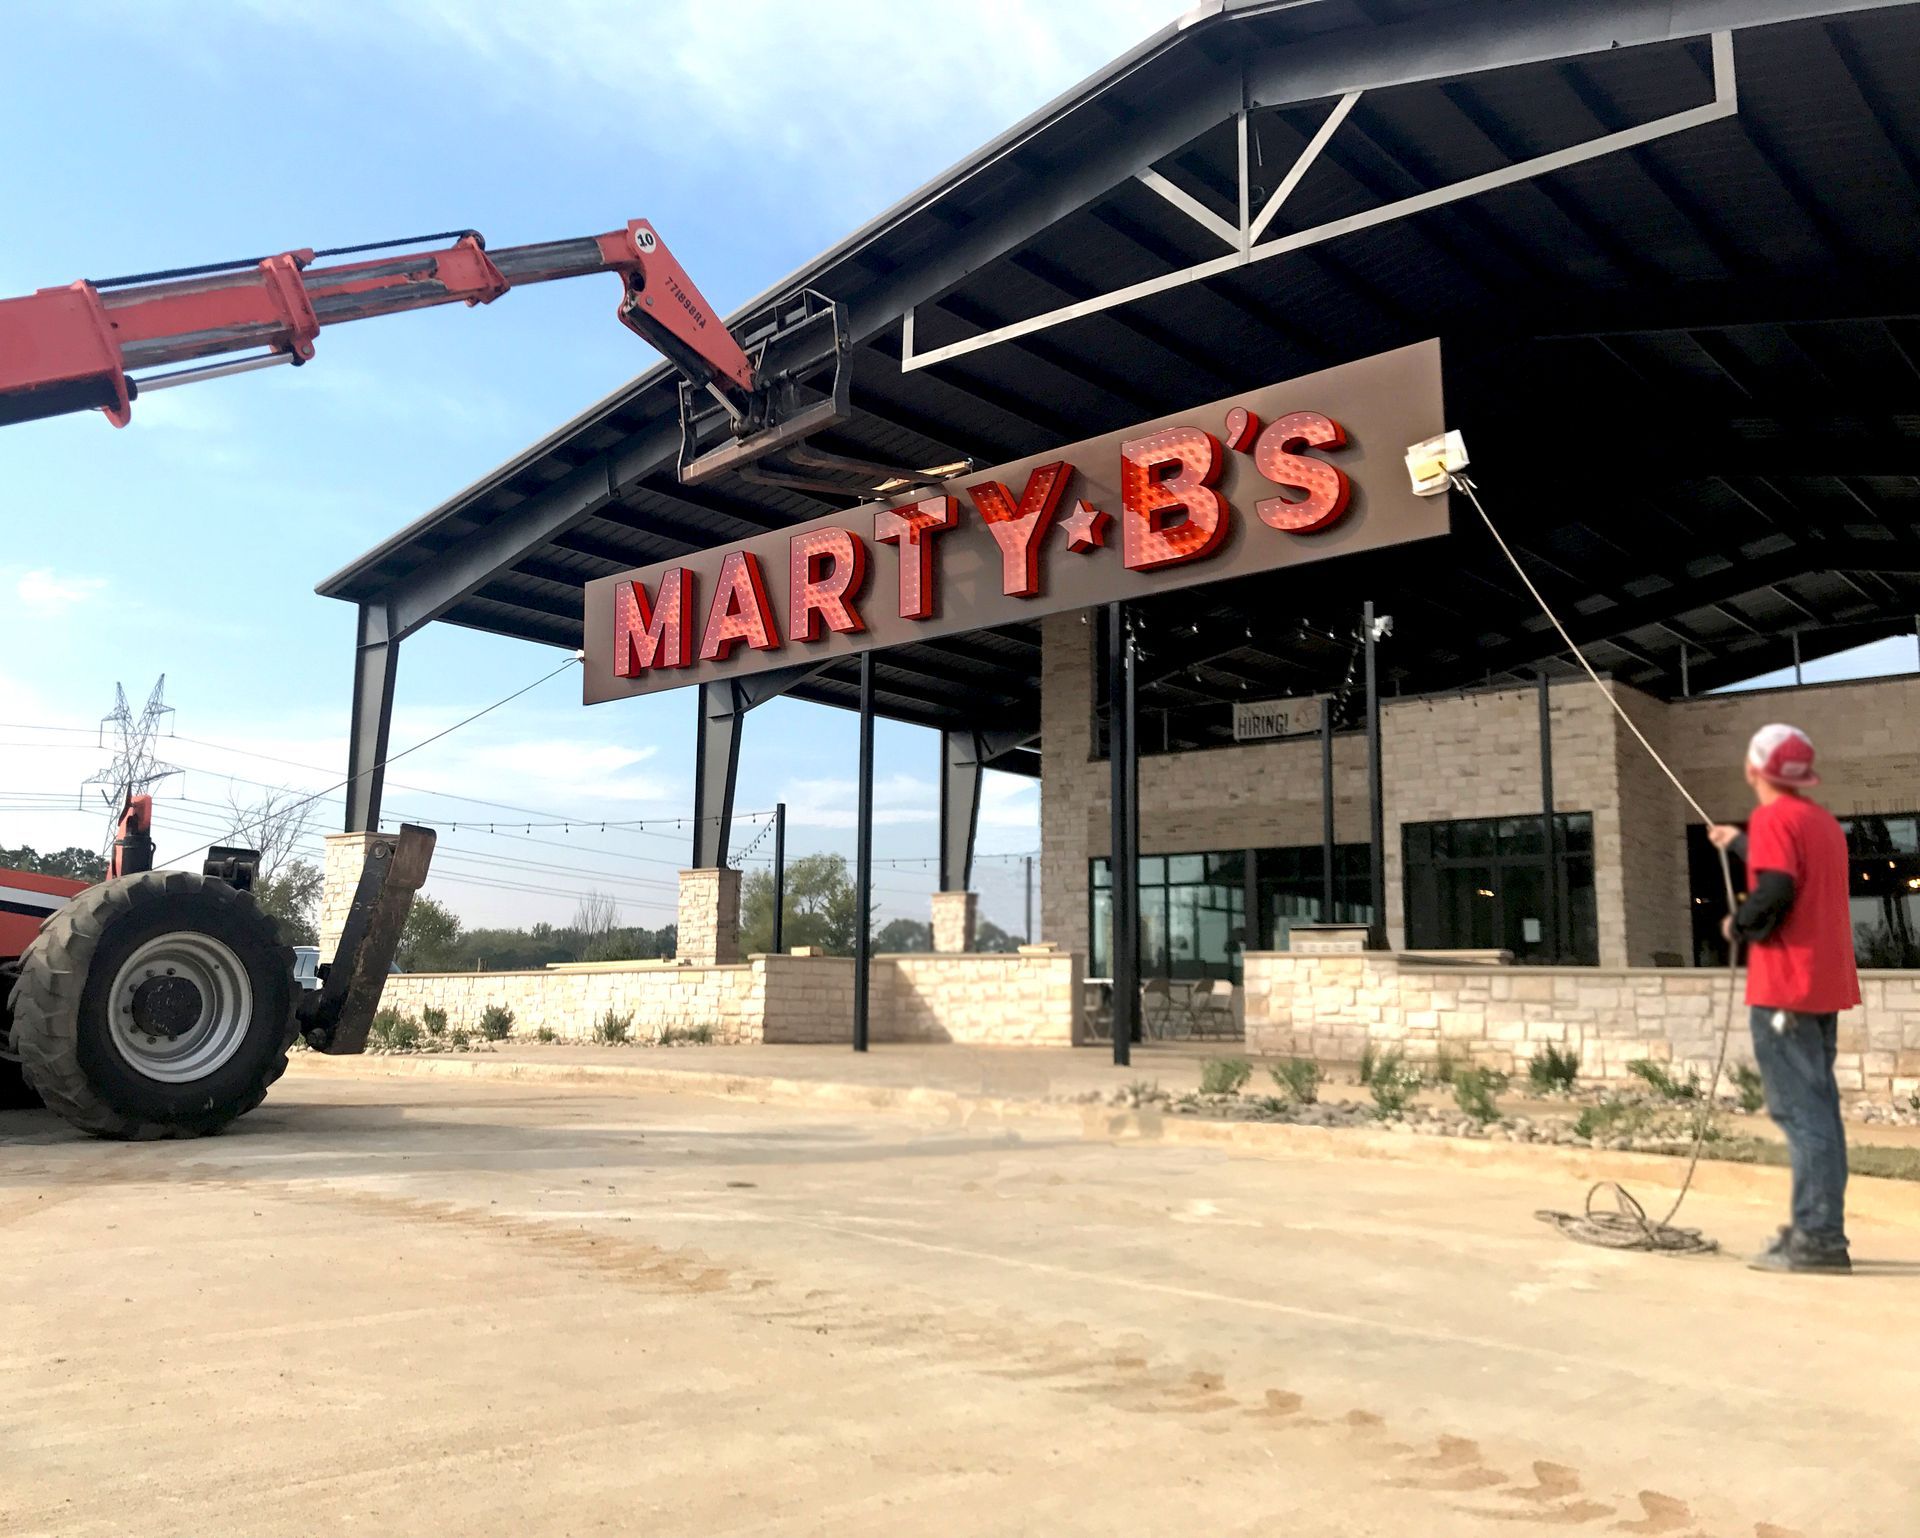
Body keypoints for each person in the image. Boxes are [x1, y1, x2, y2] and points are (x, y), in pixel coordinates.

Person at [1706, 723, 1859, 1274]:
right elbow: (1792, 864)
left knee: (1800, 1112)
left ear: (1754, 769)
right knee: (1819, 1109)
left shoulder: (1773, 818)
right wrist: (1736, 841)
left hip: (1784, 990)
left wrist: (1738, 924)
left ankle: (1818, 1239)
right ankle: (1818, 1229)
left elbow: (1776, 887)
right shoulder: (1820, 822)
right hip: (1821, 986)